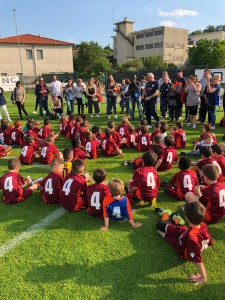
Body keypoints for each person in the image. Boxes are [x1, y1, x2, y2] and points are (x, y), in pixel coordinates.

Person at [155, 201, 212, 284]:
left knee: (159, 226)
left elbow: (198, 260)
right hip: (185, 232)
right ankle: (175, 219)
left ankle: (174, 218)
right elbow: (207, 238)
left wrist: (203, 278)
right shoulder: (203, 225)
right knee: (168, 228)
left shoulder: (191, 238)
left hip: (182, 247)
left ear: (186, 217)